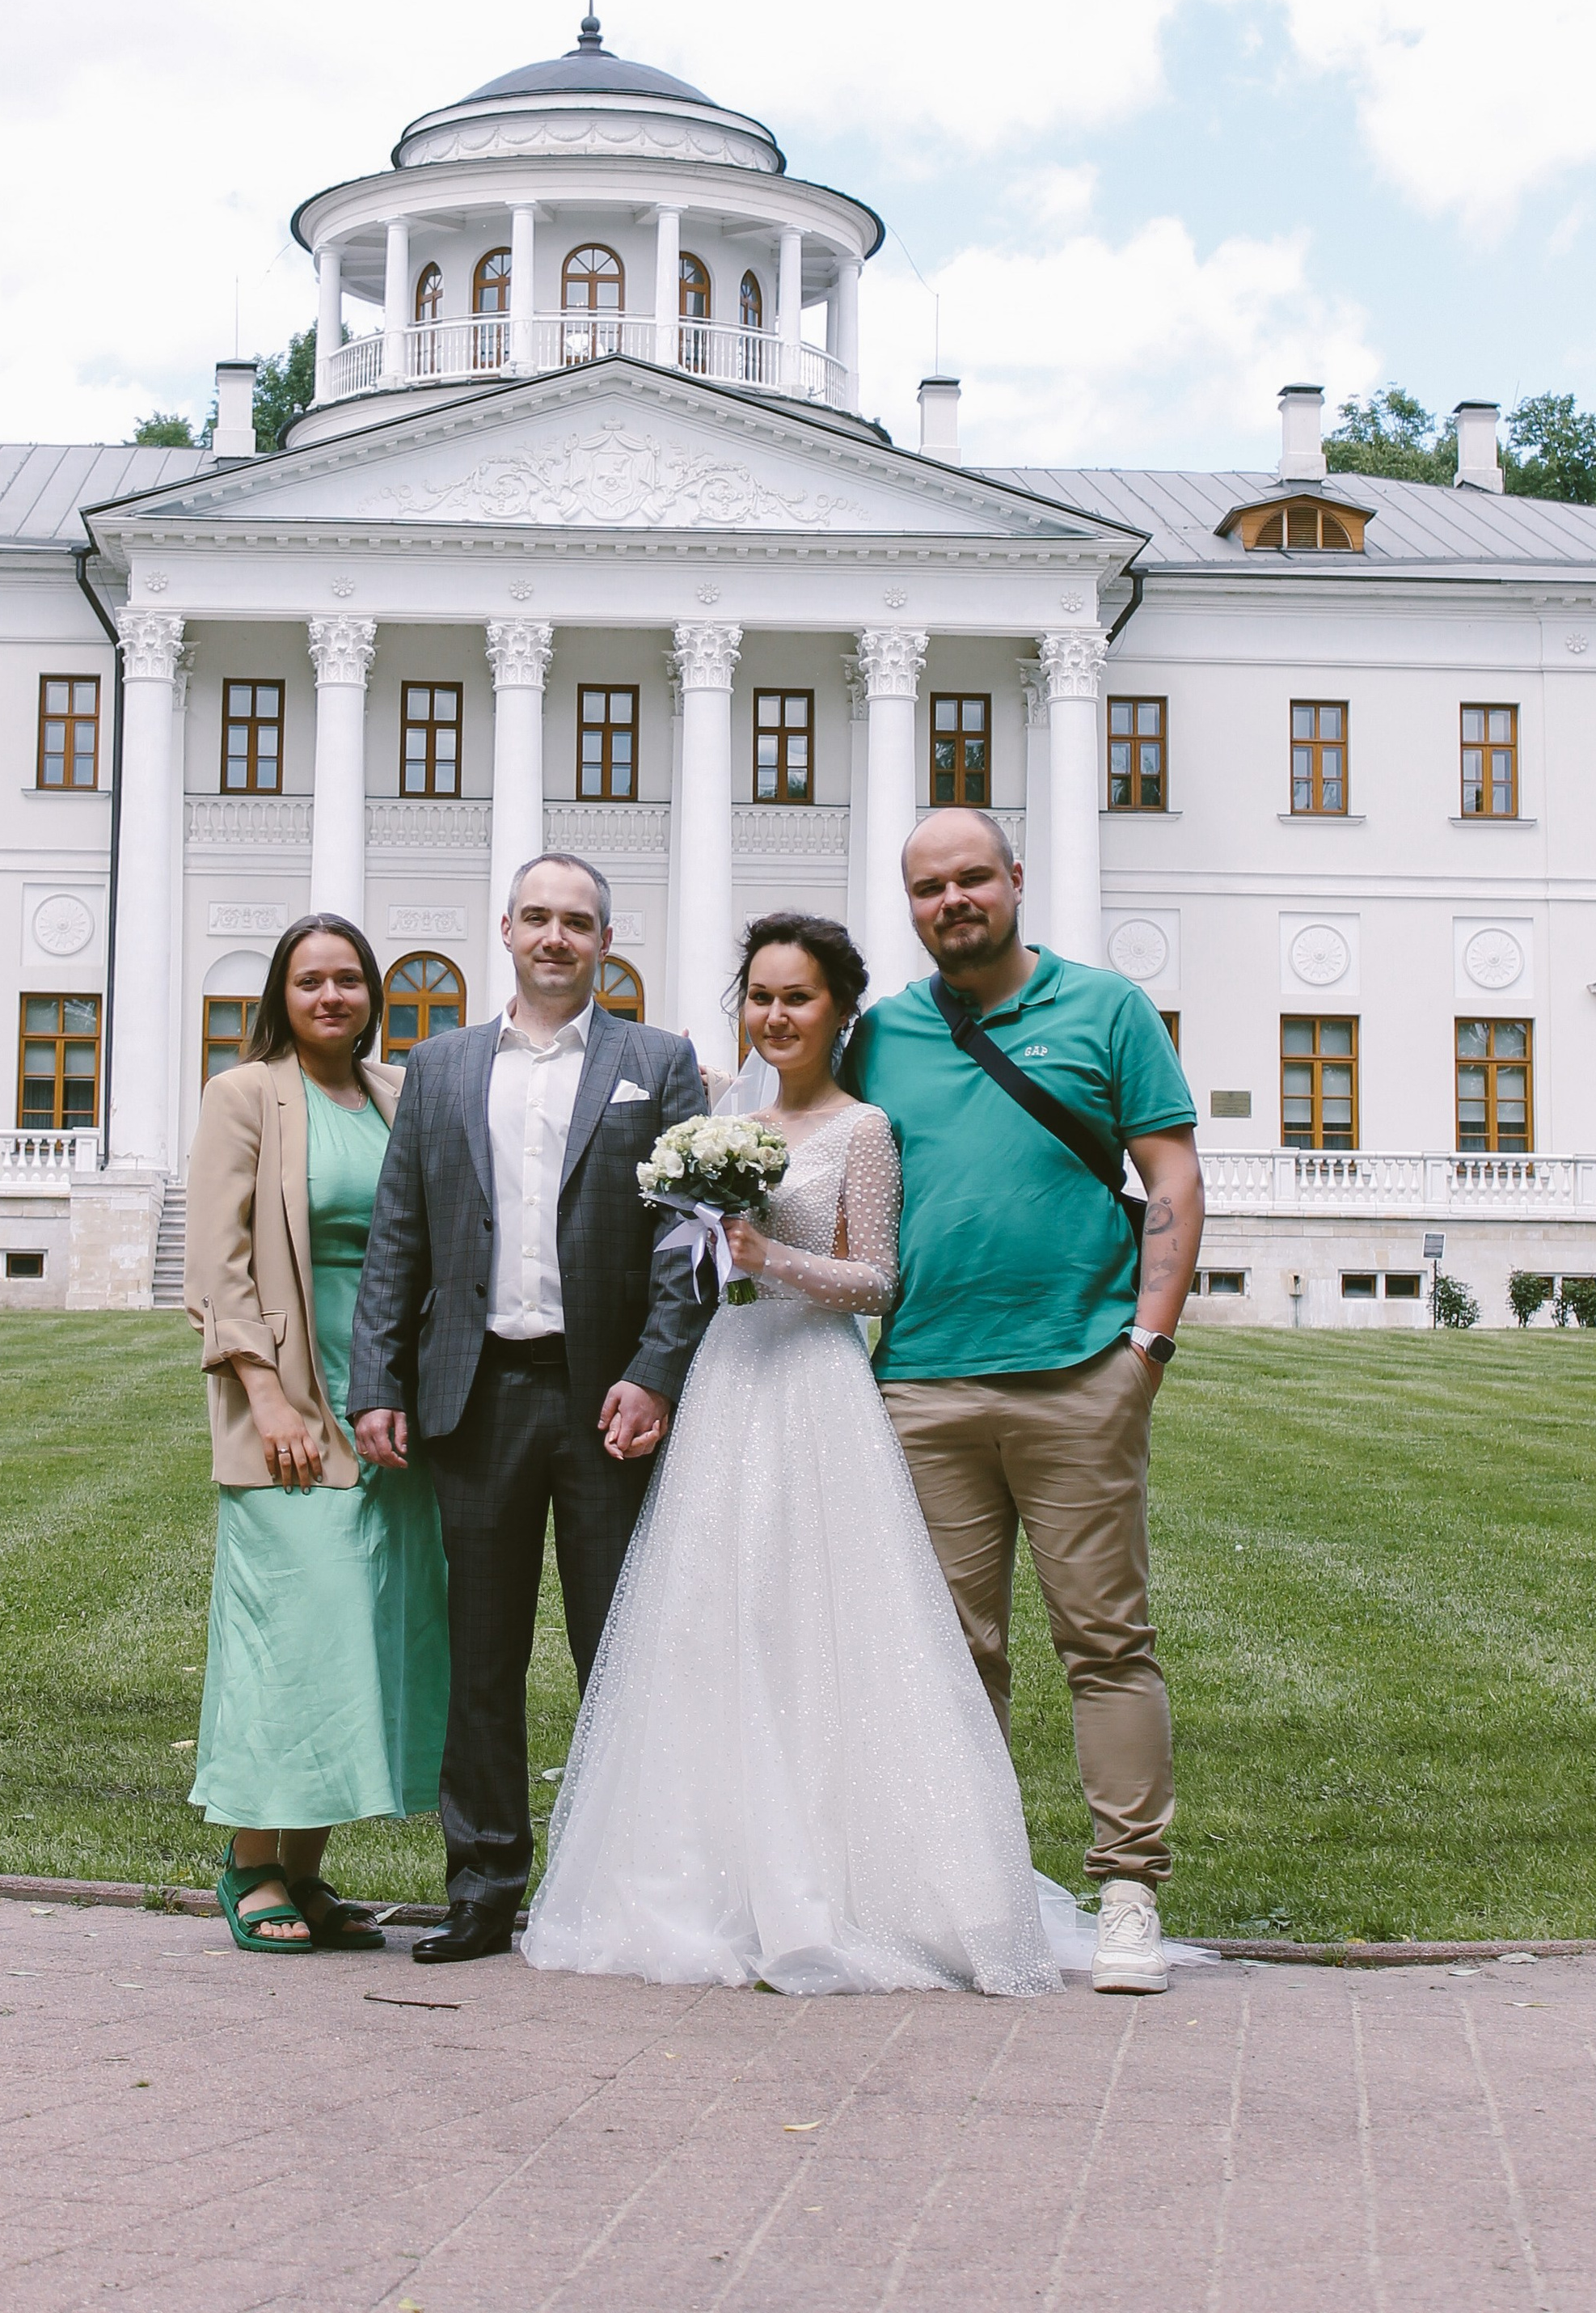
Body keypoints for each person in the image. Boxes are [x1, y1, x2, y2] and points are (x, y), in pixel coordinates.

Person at [522, 913, 1062, 1998]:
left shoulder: (863, 1129)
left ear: (839, 1010)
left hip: (814, 1383)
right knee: (714, 1618)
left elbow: (879, 1283)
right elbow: (687, 1266)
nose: (776, 1015)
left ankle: (839, 1878)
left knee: (826, 1622)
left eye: (798, 997)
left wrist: (773, 1259)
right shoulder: (723, 1118)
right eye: (761, 996)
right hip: (729, 1378)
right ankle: (709, 1873)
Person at [845, 807, 1203, 1995]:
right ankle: (973, 1890)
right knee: (949, 1656)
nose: (953, 902)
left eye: (971, 880)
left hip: (1075, 1373)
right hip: (922, 1382)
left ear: (1015, 880)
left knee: (1104, 1642)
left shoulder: (1106, 1010)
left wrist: (1144, 1347)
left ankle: (1128, 1891)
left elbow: (1172, 1177)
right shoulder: (884, 1034)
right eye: (929, 888)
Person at [350, 855, 708, 1966]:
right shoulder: (443, 1066)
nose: (557, 937)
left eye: (580, 922)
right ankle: (485, 1883)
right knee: (482, 1654)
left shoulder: (658, 1063)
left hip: (604, 1399)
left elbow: (686, 1237)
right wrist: (377, 1383)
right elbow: (398, 1235)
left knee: (619, 1649)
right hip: (477, 1396)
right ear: (504, 928)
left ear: (605, 940)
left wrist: (654, 1372)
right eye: (539, 918)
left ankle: (625, 1882)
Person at [184, 913, 448, 1952]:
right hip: (291, 1399)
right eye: (310, 982)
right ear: (280, 999)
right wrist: (268, 1394)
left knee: (358, 1643)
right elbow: (217, 1265)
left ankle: (305, 1871)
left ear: (373, 995)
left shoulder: (397, 1094)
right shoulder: (244, 1094)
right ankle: (249, 1866)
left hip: (389, 1400)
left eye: (348, 980)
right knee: (291, 1634)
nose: (332, 997)